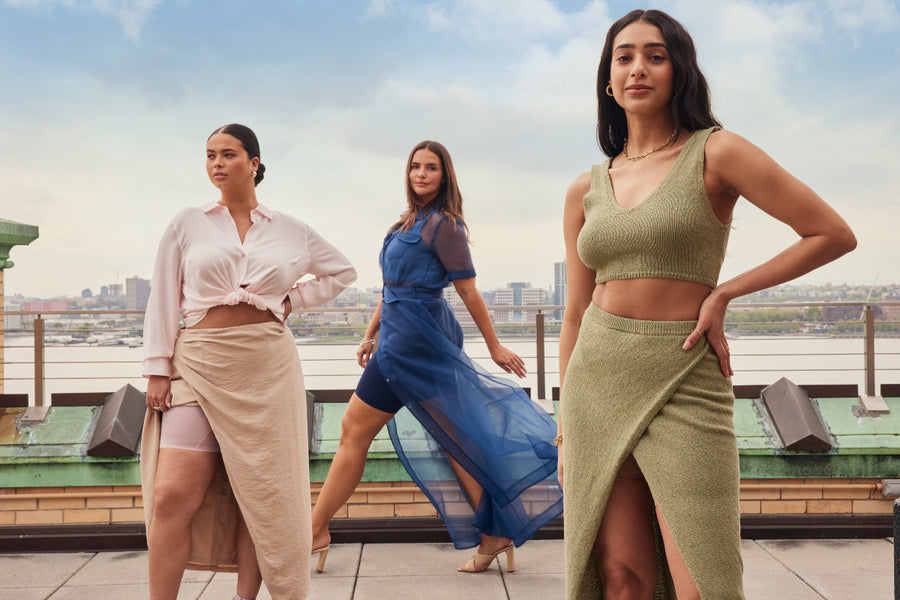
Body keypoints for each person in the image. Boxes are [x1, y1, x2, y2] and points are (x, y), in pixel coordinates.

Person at [558, 9, 856, 600]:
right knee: (621, 580)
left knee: (703, 580)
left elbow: (830, 233)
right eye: (624, 57)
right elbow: (573, 312)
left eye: (655, 55)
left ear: (679, 71)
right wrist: (564, 426)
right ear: (608, 81)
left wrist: (725, 291)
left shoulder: (716, 153)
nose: (638, 67)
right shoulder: (584, 188)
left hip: (686, 375)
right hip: (596, 381)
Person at [310, 140, 563, 574]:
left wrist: (496, 345)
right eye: (415, 167)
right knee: (455, 443)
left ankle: (314, 530)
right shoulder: (405, 223)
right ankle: (494, 534)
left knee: (354, 429)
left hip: (417, 343)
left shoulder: (445, 226)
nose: (421, 174)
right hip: (399, 337)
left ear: (444, 176)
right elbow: (389, 289)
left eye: (431, 168)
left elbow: (468, 290)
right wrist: (370, 334)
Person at [140, 123, 356, 600]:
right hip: (197, 364)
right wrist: (157, 367)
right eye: (210, 155)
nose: (217, 163)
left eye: (228, 154)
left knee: (265, 496)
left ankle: (247, 597)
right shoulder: (186, 222)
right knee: (170, 493)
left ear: (254, 164)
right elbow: (162, 297)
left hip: (266, 368)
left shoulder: (291, 230)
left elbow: (343, 271)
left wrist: (289, 303)